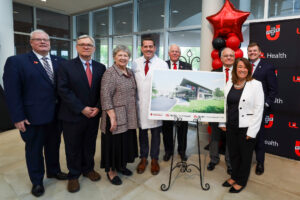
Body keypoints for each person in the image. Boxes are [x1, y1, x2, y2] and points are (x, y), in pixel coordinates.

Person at [2, 29, 67, 197]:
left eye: (46, 39)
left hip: (56, 115)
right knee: (34, 150)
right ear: (31, 43)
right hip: (32, 117)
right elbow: (12, 93)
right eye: (38, 40)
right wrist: (17, 117)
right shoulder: (17, 62)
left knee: (53, 146)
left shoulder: (59, 60)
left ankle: (54, 171)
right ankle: (37, 181)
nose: (43, 42)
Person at [57, 35, 106, 193]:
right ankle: (73, 175)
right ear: (76, 47)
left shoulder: (100, 67)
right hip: (73, 115)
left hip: (93, 115)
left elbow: (102, 91)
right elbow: (63, 90)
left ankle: (88, 169)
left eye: (89, 45)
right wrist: (81, 108)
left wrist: (98, 107)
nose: (86, 47)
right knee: (73, 147)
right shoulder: (66, 66)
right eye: (82, 44)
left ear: (94, 48)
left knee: (89, 144)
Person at [222, 57, 264, 193]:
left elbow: (259, 109)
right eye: (240, 67)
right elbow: (224, 105)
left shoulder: (256, 84)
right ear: (235, 68)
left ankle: (241, 181)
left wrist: (252, 131)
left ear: (249, 69)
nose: (243, 69)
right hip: (231, 125)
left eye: (245, 67)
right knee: (233, 154)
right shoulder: (230, 83)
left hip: (246, 127)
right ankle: (234, 176)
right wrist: (222, 122)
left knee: (245, 156)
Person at [100, 45, 138, 185]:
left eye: (125, 55)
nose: (123, 58)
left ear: (129, 58)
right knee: (113, 145)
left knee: (124, 142)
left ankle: (121, 165)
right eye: (120, 55)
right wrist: (112, 117)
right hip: (114, 116)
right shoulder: (110, 73)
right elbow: (105, 96)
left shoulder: (130, 72)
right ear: (114, 57)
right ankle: (111, 171)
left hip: (128, 114)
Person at [132, 37, 169, 175]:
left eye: (151, 46)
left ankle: (154, 159)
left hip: (156, 105)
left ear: (155, 48)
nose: (148, 49)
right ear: (141, 48)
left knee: (155, 134)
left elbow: (166, 84)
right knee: (141, 133)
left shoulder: (162, 64)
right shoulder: (135, 63)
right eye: (145, 46)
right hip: (140, 104)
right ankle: (143, 158)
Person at [247, 42, 278, 175]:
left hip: (259, 109)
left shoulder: (268, 67)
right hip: (245, 108)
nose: (252, 53)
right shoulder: (244, 65)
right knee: (246, 136)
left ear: (260, 52)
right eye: (250, 51)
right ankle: (246, 161)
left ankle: (260, 162)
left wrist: (266, 104)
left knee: (259, 137)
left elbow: (273, 89)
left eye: (254, 51)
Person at [162, 44, 192, 162]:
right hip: (167, 101)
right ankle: (168, 151)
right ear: (169, 53)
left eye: (177, 52)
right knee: (167, 128)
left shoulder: (187, 66)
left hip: (182, 102)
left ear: (180, 54)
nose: (175, 53)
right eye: (173, 51)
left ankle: (182, 151)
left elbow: (189, 82)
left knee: (183, 128)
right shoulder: (163, 65)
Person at [207, 47, 234, 174]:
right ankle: (213, 159)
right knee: (214, 137)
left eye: (231, 55)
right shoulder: (214, 72)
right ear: (221, 58)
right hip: (216, 111)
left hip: (233, 112)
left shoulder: (239, 73)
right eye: (226, 55)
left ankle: (230, 163)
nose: (228, 57)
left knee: (230, 139)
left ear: (234, 58)